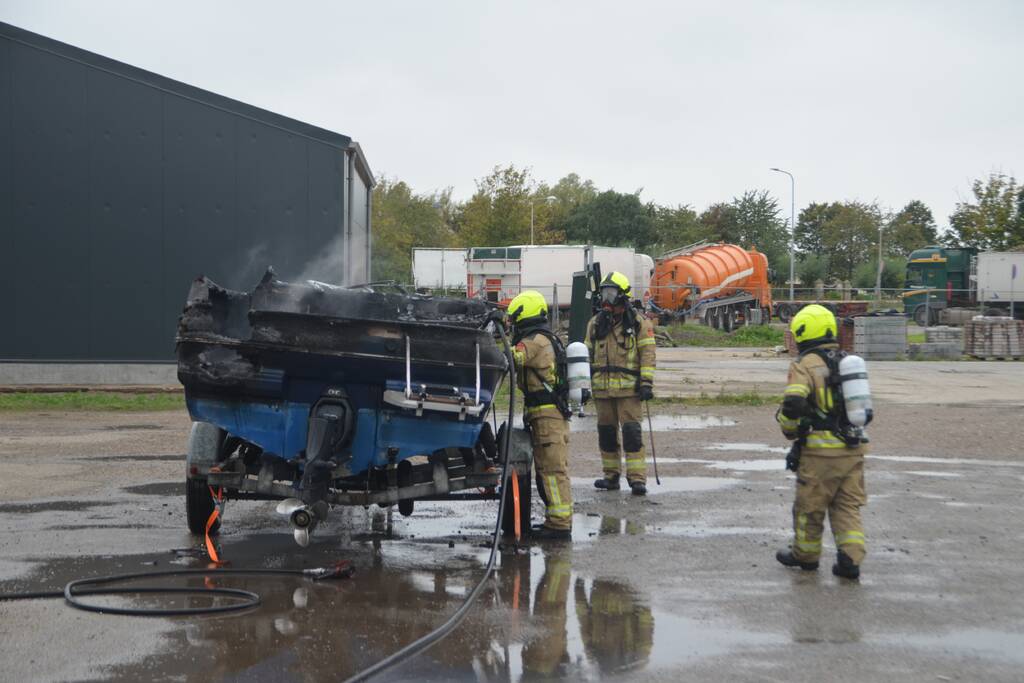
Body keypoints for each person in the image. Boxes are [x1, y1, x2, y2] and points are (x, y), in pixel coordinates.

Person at [775, 304, 868, 580]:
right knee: (847, 506)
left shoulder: (805, 364)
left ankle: (806, 556)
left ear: (804, 332)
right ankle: (850, 559)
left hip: (820, 453)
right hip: (853, 449)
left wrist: (789, 430)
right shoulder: (847, 361)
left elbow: (793, 403)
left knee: (810, 507)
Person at [507, 290, 573, 540]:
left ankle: (559, 525)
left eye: (514, 319)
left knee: (552, 471)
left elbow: (512, 358)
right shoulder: (543, 338)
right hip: (544, 415)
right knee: (548, 470)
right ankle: (555, 521)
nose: (512, 324)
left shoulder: (535, 341)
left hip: (548, 417)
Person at [584, 272, 656, 496]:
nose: (607, 298)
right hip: (602, 390)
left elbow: (647, 353)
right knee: (606, 435)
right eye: (604, 292)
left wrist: (646, 383)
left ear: (623, 295)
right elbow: (585, 356)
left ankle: (637, 479)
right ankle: (610, 476)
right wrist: (582, 385)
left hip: (629, 391)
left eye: (611, 293)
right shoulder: (595, 324)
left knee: (632, 435)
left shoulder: (638, 323)